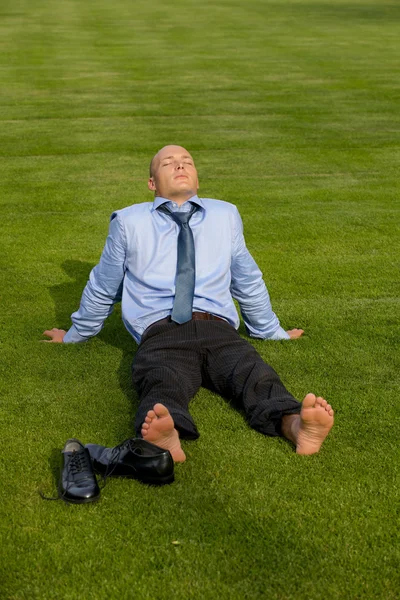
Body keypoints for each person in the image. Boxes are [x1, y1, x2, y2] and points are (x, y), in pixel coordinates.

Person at [44, 145, 334, 463]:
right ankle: (168, 436)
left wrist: (271, 330)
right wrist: (75, 334)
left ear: (196, 176)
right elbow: (104, 285)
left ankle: (295, 425)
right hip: (161, 331)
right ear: (152, 183)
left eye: (187, 162)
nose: (180, 166)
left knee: (254, 373)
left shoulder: (225, 215)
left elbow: (246, 278)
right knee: (162, 381)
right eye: (169, 163)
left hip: (218, 328)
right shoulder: (128, 222)